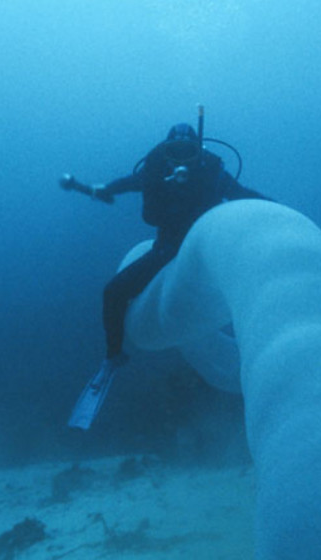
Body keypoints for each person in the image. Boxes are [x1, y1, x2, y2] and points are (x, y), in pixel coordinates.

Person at [60, 119, 270, 429]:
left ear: (197, 150)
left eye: (188, 150)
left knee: (252, 289)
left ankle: (261, 347)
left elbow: (239, 192)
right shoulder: (155, 170)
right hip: (167, 249)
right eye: (176, 150)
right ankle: (112, 358)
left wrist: (274, 209)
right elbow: (128, 183)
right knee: (114, 292)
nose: (182, 157)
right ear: (166, 150)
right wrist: (98, 188)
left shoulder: (210, 170)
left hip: (209, 252)